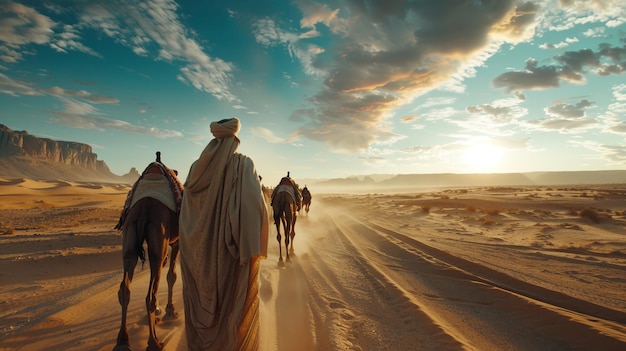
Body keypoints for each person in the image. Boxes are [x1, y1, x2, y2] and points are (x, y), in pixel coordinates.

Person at [178, 117, 269, 351]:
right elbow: (255, 209)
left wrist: (195, 243)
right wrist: (247, 245)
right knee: (230, 311)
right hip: (229, 258)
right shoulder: (244, 165)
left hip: (197, 259)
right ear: (235, 139)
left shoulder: (195, 168)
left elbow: (186, 211)